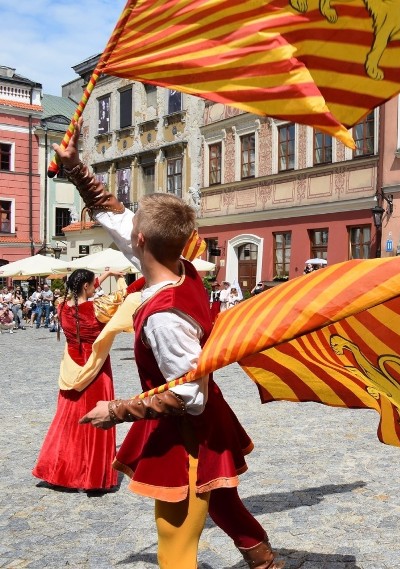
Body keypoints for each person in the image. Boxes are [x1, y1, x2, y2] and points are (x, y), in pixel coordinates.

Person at [55, 122, 284, 569]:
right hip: (204, 426)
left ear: (141, 242)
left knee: (174, 539)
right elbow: (116, 217)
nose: (128, 225)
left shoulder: (163, 316)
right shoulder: (184, 268)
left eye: (134, 225)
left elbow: (188, 395)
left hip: (189, 437)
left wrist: (116, 411)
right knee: (222, 502)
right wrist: (77, 168)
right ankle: (264, 562)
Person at [32, 268, 123, 492]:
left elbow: (82, 291)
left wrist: (104, 275)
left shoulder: (61, 307)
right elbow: (124, 296)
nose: (95, 286)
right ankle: (93, 478)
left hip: (72, 367)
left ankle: (60, 472)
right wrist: (118, 277)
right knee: (97, 419)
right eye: (93, 283)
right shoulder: (98, 308)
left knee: (67, 421)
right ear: (86, 286)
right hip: (97, 368)